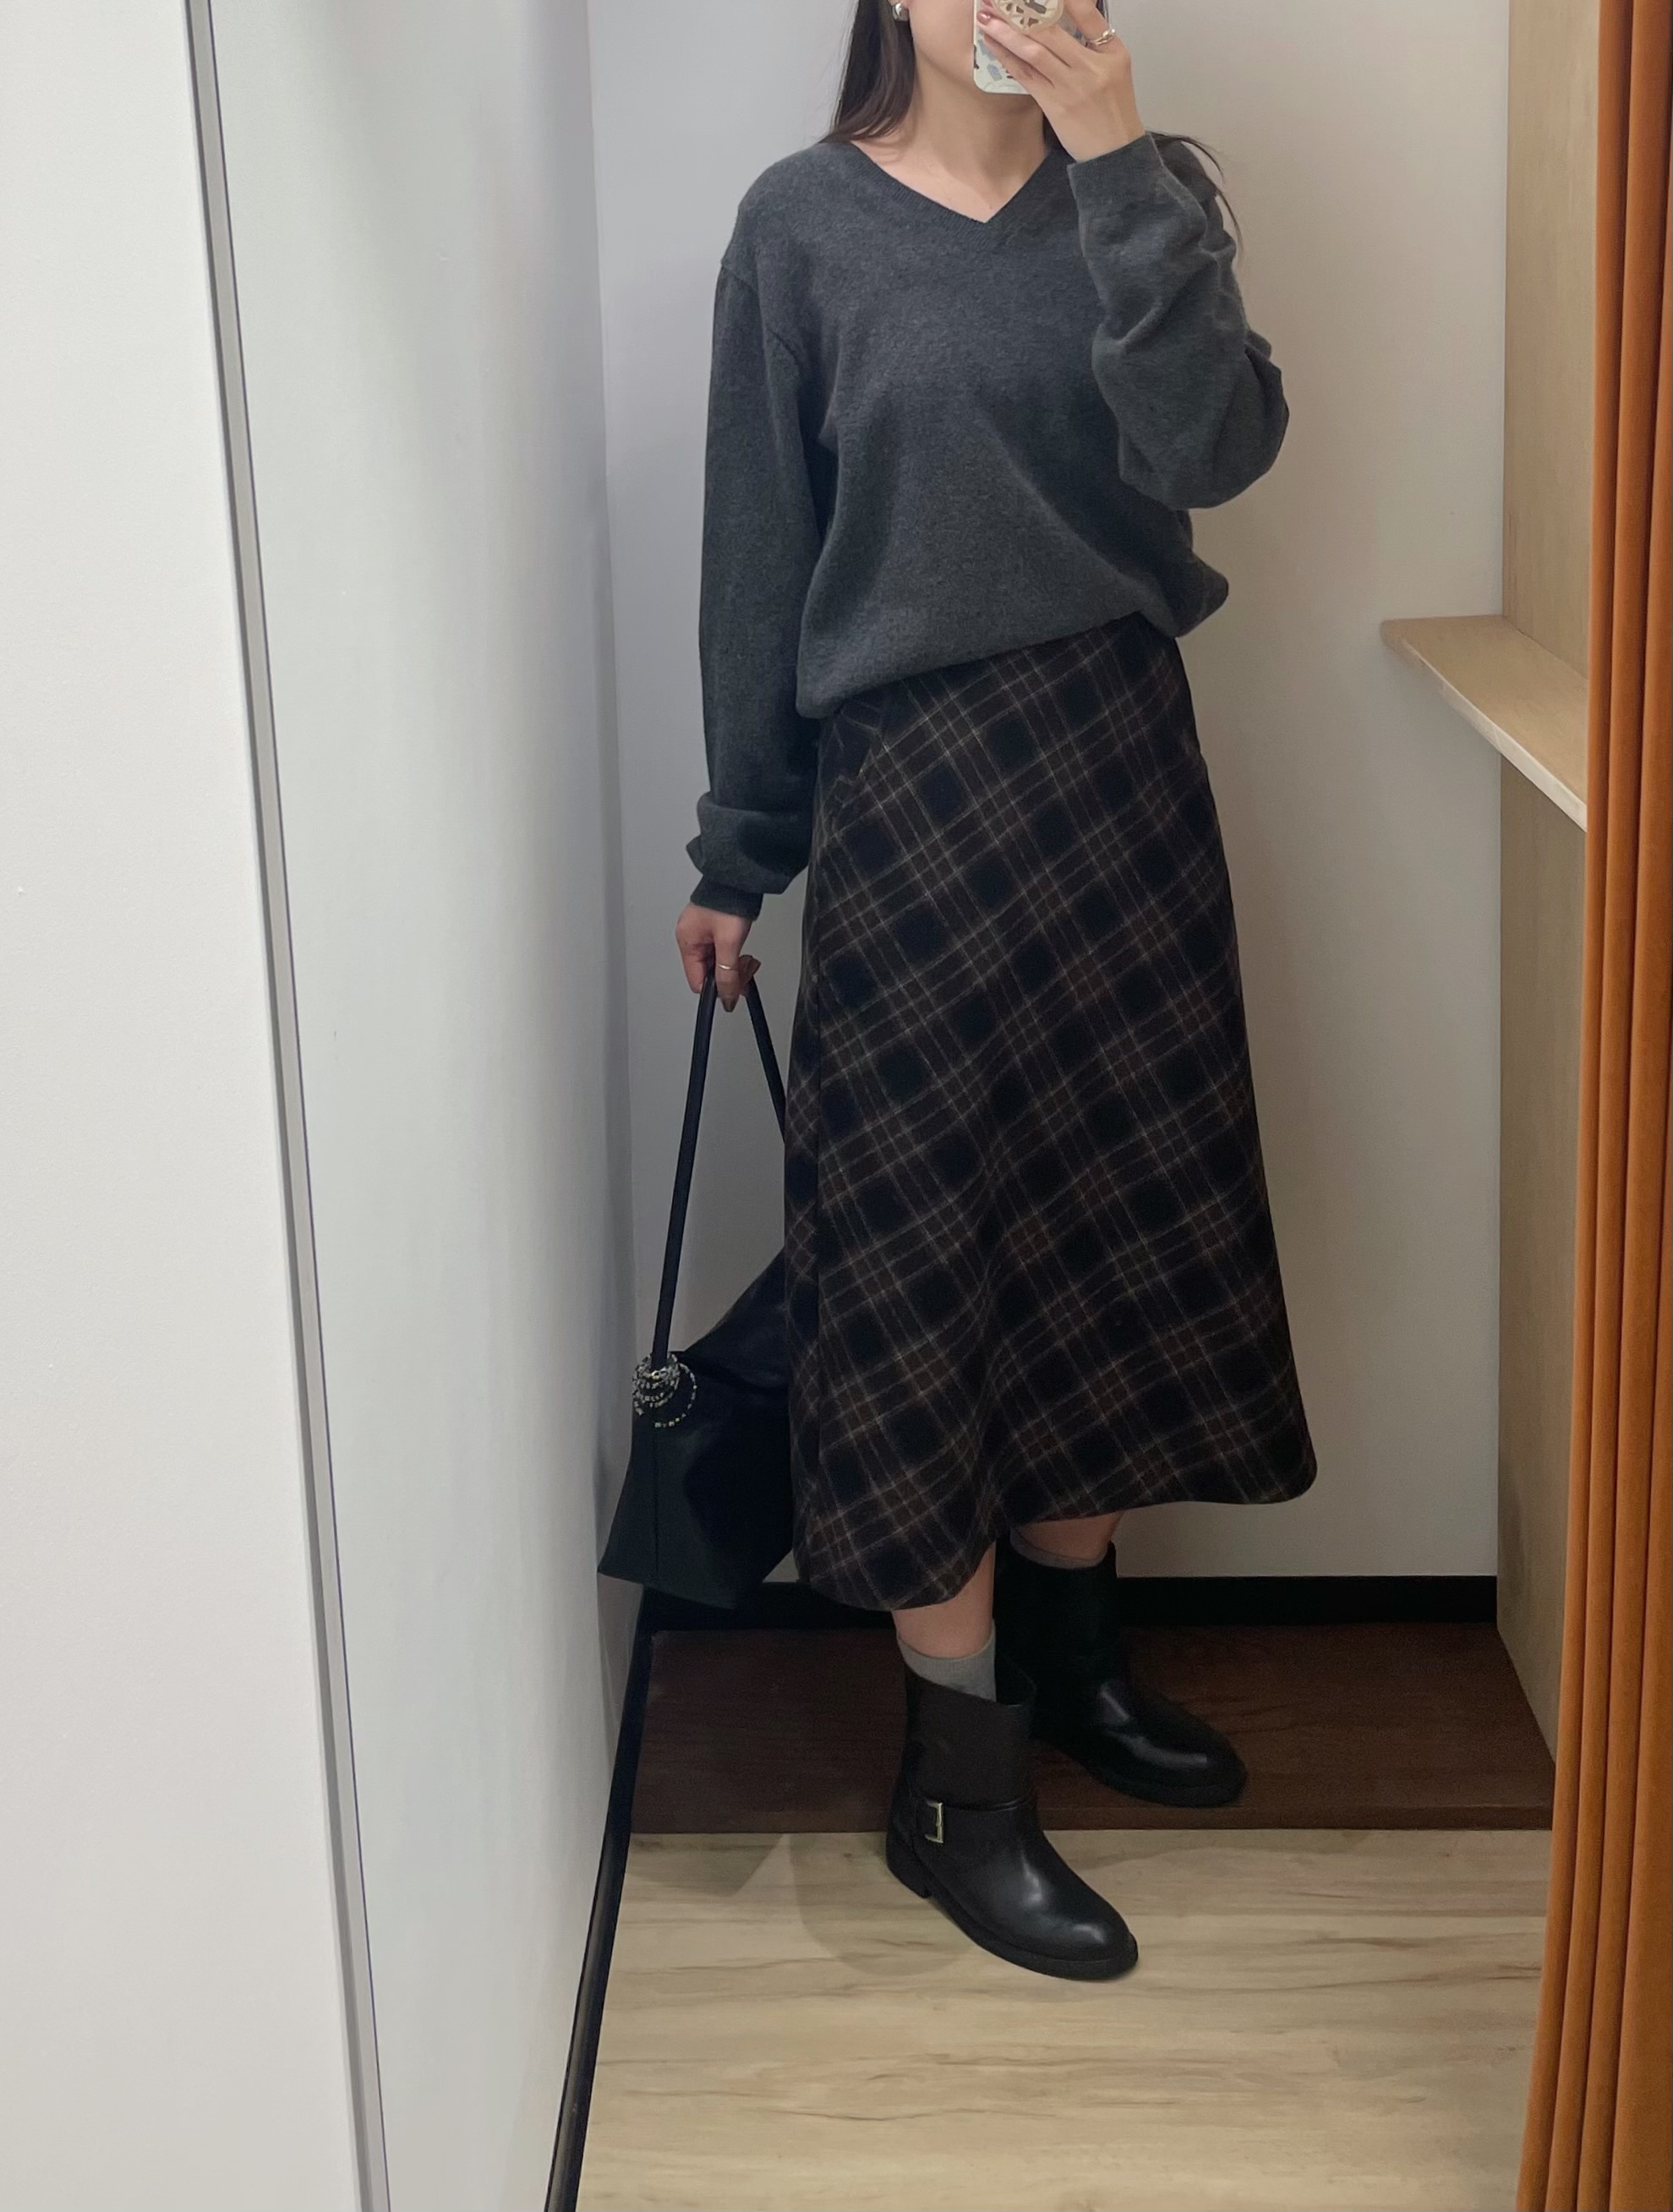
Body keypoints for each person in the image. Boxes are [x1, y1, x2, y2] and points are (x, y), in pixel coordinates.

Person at [674, 0, 1317, 1981]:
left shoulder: (1148, 194)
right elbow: (760, 550)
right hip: (915, 795)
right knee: (921, 1263)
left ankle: (1076, 1665)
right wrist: (739, 847)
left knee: (1109, 1229)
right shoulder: (801, 227)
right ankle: (956, 1782)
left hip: (1122, 774)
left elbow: (1218, 450)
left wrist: (1122, 166)